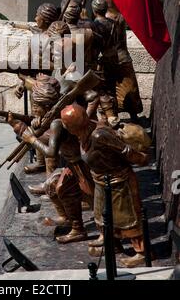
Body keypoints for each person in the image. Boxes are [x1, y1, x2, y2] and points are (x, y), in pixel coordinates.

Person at [60, 102, 149, 267]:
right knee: (102, 217)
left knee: (128, 218)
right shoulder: (83, 134)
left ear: (73, 126)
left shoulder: (99, 135)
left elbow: (125, 151)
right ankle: (113, 245)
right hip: (101, 181)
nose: (64, 126)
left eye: (65, 124)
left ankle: (142, 253)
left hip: (119, 181)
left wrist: (142, 158)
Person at [21, 113, 94, 244]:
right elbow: (45, 138)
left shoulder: (62, 124)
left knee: (73, 192)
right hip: (71, 166)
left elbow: (51, 152)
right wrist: (32, 125)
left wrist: (32, 139)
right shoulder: (55, 122)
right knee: (51, 184)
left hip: (82, 168)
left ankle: (79, 229)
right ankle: (65, 218)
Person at [8, 77, 60, 195]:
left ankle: (49, 184)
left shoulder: (56, 123)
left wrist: (30, 137)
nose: (34, 109)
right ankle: (48, 179)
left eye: (36, 107)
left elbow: (49, 149)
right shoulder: (49, 116)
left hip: (74, 162)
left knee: (44, 145)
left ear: (47, 107)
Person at [100, 0, 143, 121]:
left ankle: (113, 116)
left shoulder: (104, 20)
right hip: (124, 57)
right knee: (130, 88)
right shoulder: (121, 16)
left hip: (110, 59)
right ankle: (134, 115)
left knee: (110, 90)